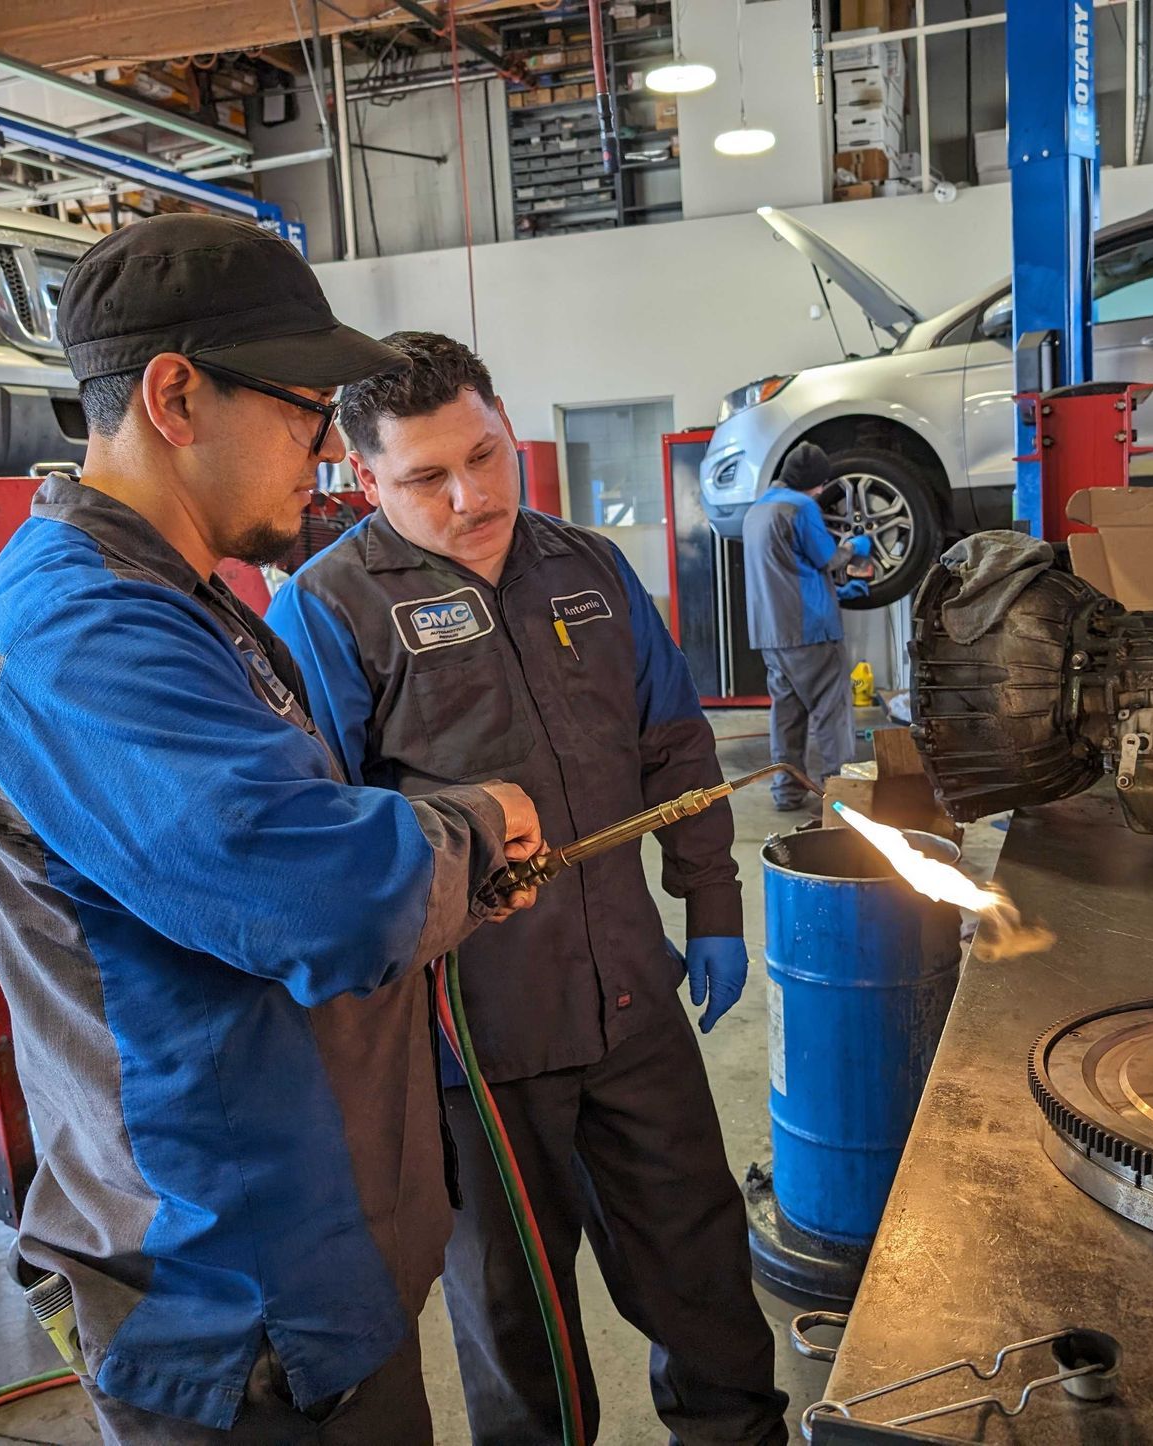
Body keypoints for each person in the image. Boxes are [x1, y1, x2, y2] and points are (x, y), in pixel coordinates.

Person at [0, 217, 544, 1444]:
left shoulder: (178, 592)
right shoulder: (80, 637)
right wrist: (474, 830)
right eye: (308, 413)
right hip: (236, 1307)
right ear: (175, 396)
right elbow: (313, 890)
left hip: (309, 1255)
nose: (325, 453)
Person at [266, 332, 790, 1446]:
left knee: (708, 1293)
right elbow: (322, 838)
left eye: (487, 455)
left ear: (505, 423)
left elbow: (677, 748)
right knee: (523, 1341)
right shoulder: (329, 611)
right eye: (425, 478)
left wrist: (711, 906)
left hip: (634, 1008)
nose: (471, 496)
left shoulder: (588, 569)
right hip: (474, 1048)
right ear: (364, 479)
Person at [739, 442, 871, 811]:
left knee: (788, 715)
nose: (820, 491)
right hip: (811, 634)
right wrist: (855, 546)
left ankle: (787, 791)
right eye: (820, 485)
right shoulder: (801, 507)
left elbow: (789, 572)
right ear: (813, 482)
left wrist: (839, 592)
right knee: (832, 715)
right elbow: (828, 558)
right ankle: (841, 797)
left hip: (771, 635)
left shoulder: (757, 511)